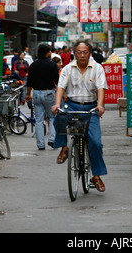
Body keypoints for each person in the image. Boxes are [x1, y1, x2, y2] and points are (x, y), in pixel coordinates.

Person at [51, 40, 108, 193]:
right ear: (74, 53)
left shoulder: (97, 68)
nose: (82, 55)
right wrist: (57, 104)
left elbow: (101, 88)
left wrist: (100, 105)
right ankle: (64, 147)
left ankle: (96, 176)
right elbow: (61, 88)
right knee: (58, 116)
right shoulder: (67, 69)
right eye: (79, 52)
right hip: (72, 106)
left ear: (89, 53)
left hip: (91, 108)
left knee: (96, 143)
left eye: (85, 52)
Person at [26, 44, 60, 150]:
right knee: (52, 117)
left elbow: (29, 83)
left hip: (36, 94)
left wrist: (28, 94)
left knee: (39, 119)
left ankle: (40, 145)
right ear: (47, 52)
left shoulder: (33, 65)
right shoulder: (52, 65)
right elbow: (57, 82)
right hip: (49, 93)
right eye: (50, 51)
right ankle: (52, 140)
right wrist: (61, 94)